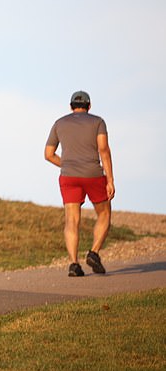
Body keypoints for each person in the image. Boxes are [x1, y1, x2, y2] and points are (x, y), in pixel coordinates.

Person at [45, 91, 115, 277]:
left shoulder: (59, 123)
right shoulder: (98, 122)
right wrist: (110, 179)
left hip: (68, 177)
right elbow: (103, 150)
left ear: (70, 107)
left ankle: (74, 264)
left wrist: (68, 164)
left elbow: (48, 154)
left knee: (72, 220)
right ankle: (93, 252)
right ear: (89, 106)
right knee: (104, 213)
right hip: (93, 175)